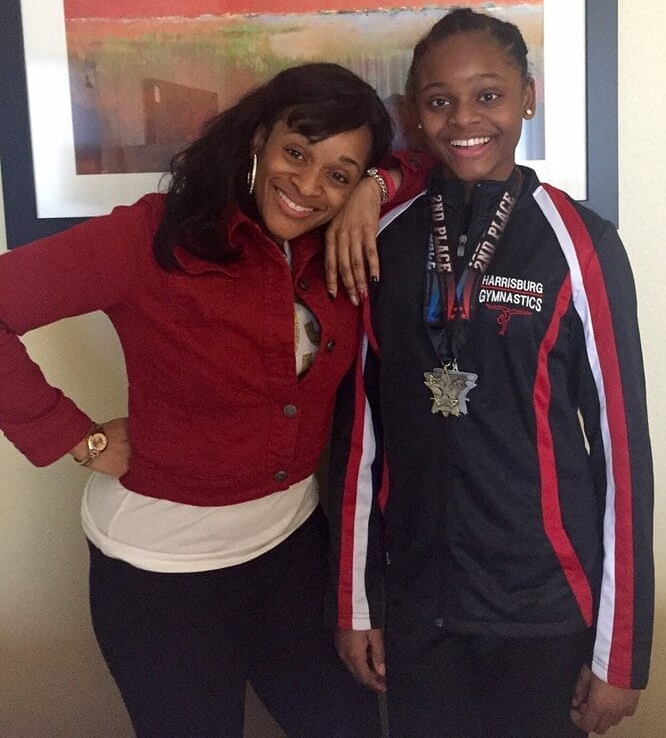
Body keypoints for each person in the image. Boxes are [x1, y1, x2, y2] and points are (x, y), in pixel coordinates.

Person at [0, 61, 418, 738]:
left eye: (338, 174)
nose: (309, 186)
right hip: (162, 574)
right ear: (259, 137)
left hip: (290, 549)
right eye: (296, 152)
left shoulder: (332, 246)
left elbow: (424, 161)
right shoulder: (151, 237)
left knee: (346, 727)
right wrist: (78, 436)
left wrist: (378, 186)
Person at [329, 8, 654, 738]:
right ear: (416, 114)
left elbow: (622, 454)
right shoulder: (384, 240)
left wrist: (620, 650)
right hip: (417, 608)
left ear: (527, 97)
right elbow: (357, 443)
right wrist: (357, 605)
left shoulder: (581, 243)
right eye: (439, 101)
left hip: (542, 611)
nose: (464, 119)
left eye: (488, 94)